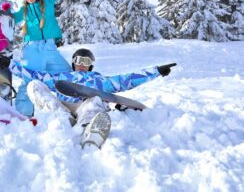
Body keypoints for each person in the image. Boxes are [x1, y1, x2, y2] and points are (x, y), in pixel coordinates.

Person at [10, 48, 176, 148]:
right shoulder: (62, 75)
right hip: (61, 106)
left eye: (86, 60)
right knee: (34, 84)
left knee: (95, 100)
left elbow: (128, 79)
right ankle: (63, 119)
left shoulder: (100, 80)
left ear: (91, 64)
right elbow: (33, 74)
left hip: (85, 106)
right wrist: (9, 64)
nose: (82, 63)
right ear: (73, 62)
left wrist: (156, 71)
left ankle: (87, 128)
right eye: (78, 60)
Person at [1, 0, 79, 116]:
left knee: (67, 76)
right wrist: (7, 13)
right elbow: (12, 20)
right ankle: (23, 114)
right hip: (32, 49)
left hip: (50, 48)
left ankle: (74, 106)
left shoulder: (48, 0)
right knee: (29, 80)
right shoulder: (24, 10)